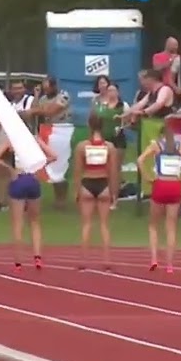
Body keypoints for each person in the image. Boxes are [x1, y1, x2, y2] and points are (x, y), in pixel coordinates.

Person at [0, 136, 58, 272]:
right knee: (35, 222)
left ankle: (18, 263)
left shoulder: (13, 139)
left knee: (17, 224)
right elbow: (54, 156)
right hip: (33, 180)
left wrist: (10, 169)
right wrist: (40, 167)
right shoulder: (34, 139)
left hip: (18, 179)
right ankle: (37, 257)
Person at [137, 122, 181, 272]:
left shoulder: (156, 145)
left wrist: (147, 177)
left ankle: (154, 259)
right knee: (171, 227)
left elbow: (140, 160)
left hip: (160, 184)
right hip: (175, 186)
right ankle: (169, 265)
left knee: (153, 225)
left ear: (161, 135)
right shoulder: (180, 146)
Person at [70, 114, 118, 270]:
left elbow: (77, 171)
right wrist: (113, 193)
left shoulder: (82, 146)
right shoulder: (109, 147)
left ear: (89, 126)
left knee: (86, 224)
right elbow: (113, 172)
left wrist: (76, 190)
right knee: (105, 225)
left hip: (87, 183)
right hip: (103, 183)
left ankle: (83, 261)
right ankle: (107, 261)